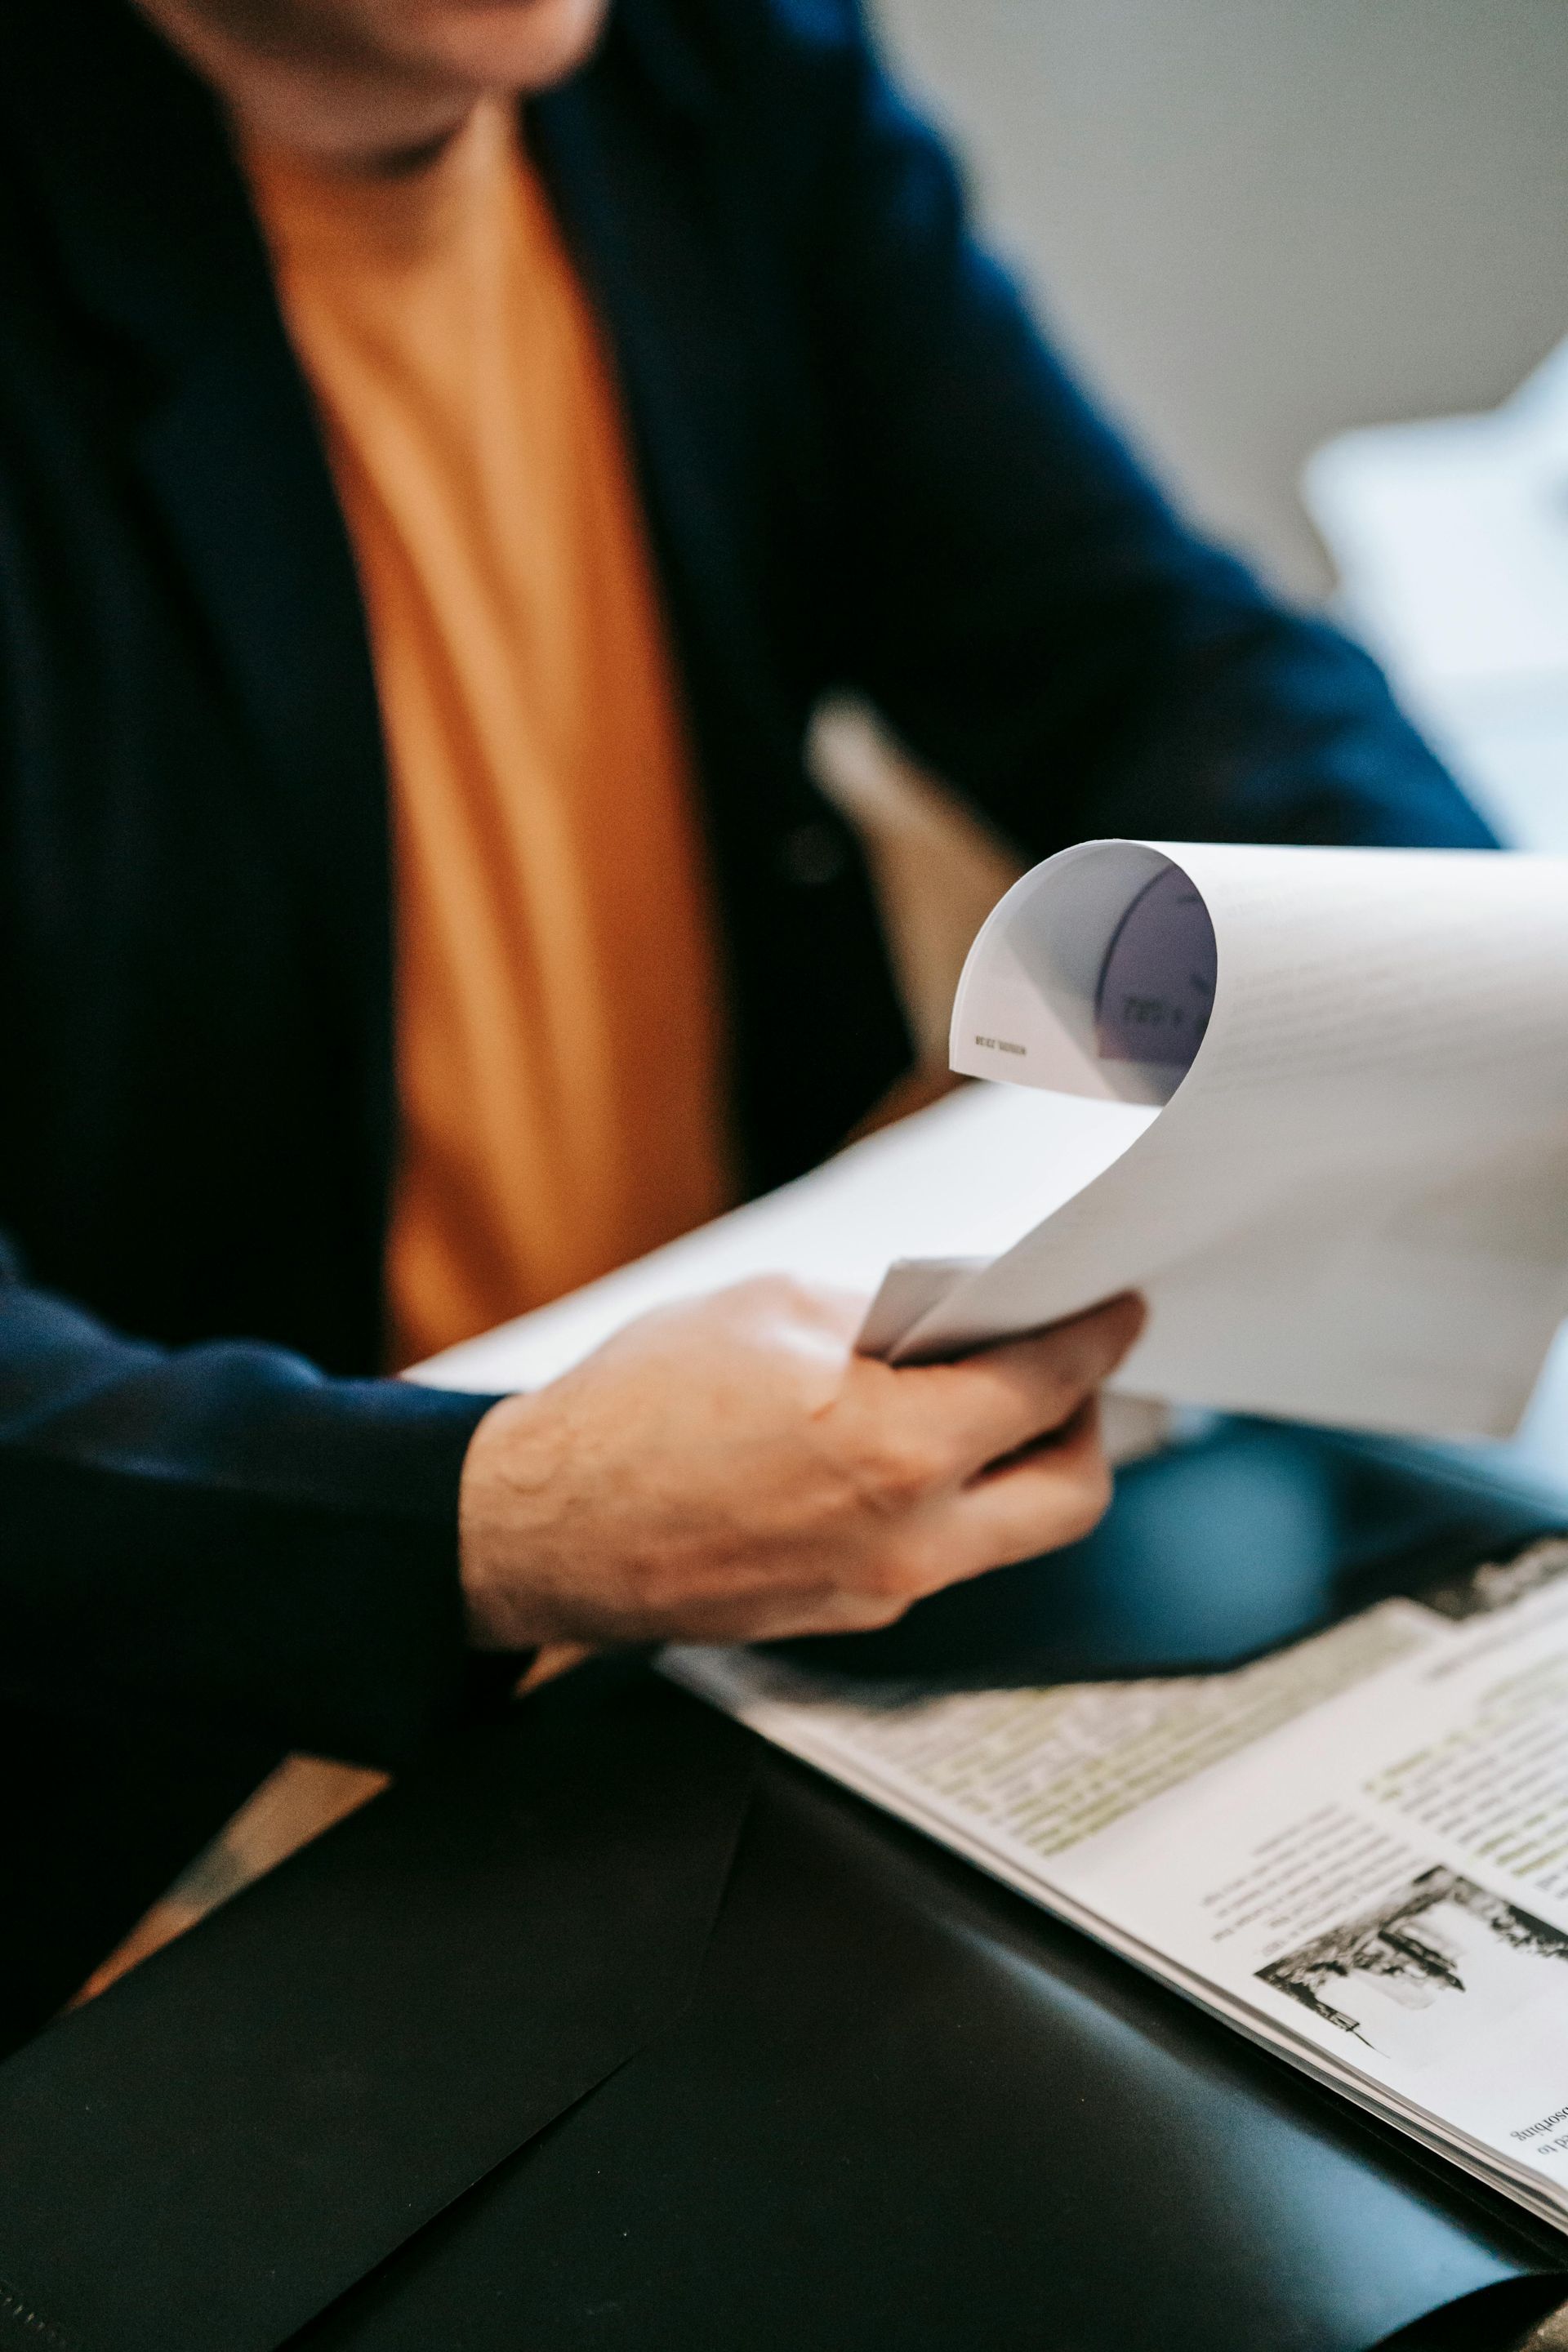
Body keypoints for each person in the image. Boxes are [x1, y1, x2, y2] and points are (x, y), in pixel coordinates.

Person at [0, 0, 1491, 2045]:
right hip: (194, 1687)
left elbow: (1141, 643)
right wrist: (492, 1524)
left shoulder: (717, 69)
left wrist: (1470, 992)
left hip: (792, 1553)